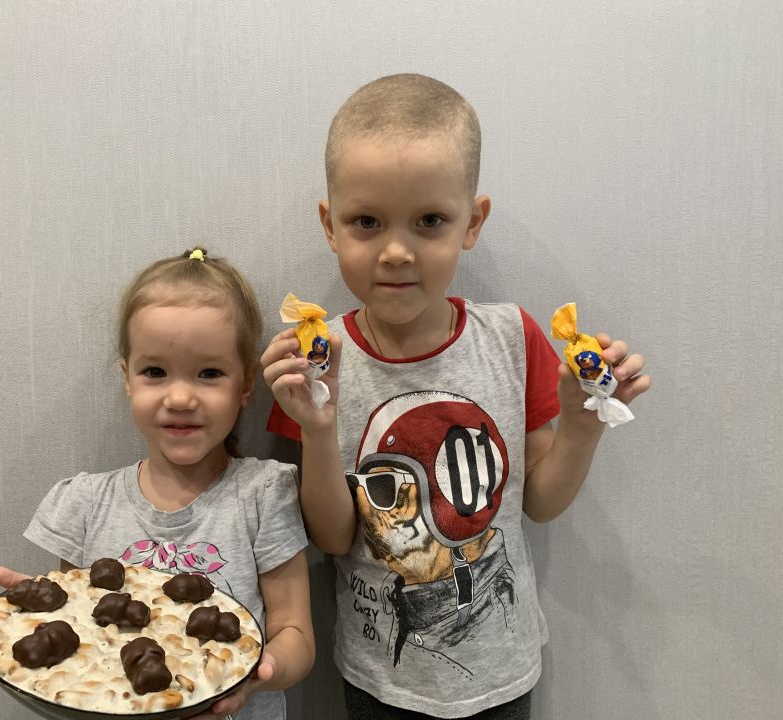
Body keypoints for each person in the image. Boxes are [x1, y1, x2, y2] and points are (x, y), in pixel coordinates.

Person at [261, 74, 650, 720]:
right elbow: (331, 537)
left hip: (501, 672)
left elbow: (540, 503)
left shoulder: (513, 339)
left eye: (430, 222)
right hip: (380, 678)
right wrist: (320, 429)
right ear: (330, 225)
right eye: (366, 222)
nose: (396, 251)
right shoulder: (318, 360)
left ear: (472, 222)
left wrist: (583, 425)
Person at [0, 248, 315, 720]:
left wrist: (255, 672)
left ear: (245, 384)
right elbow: (79, 631)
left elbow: (295, 635)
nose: (179, 397)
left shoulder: (263, 496)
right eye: (155, 372)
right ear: (128, 378)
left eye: (209, 373)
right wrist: (36, 612)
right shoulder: (85, 504)